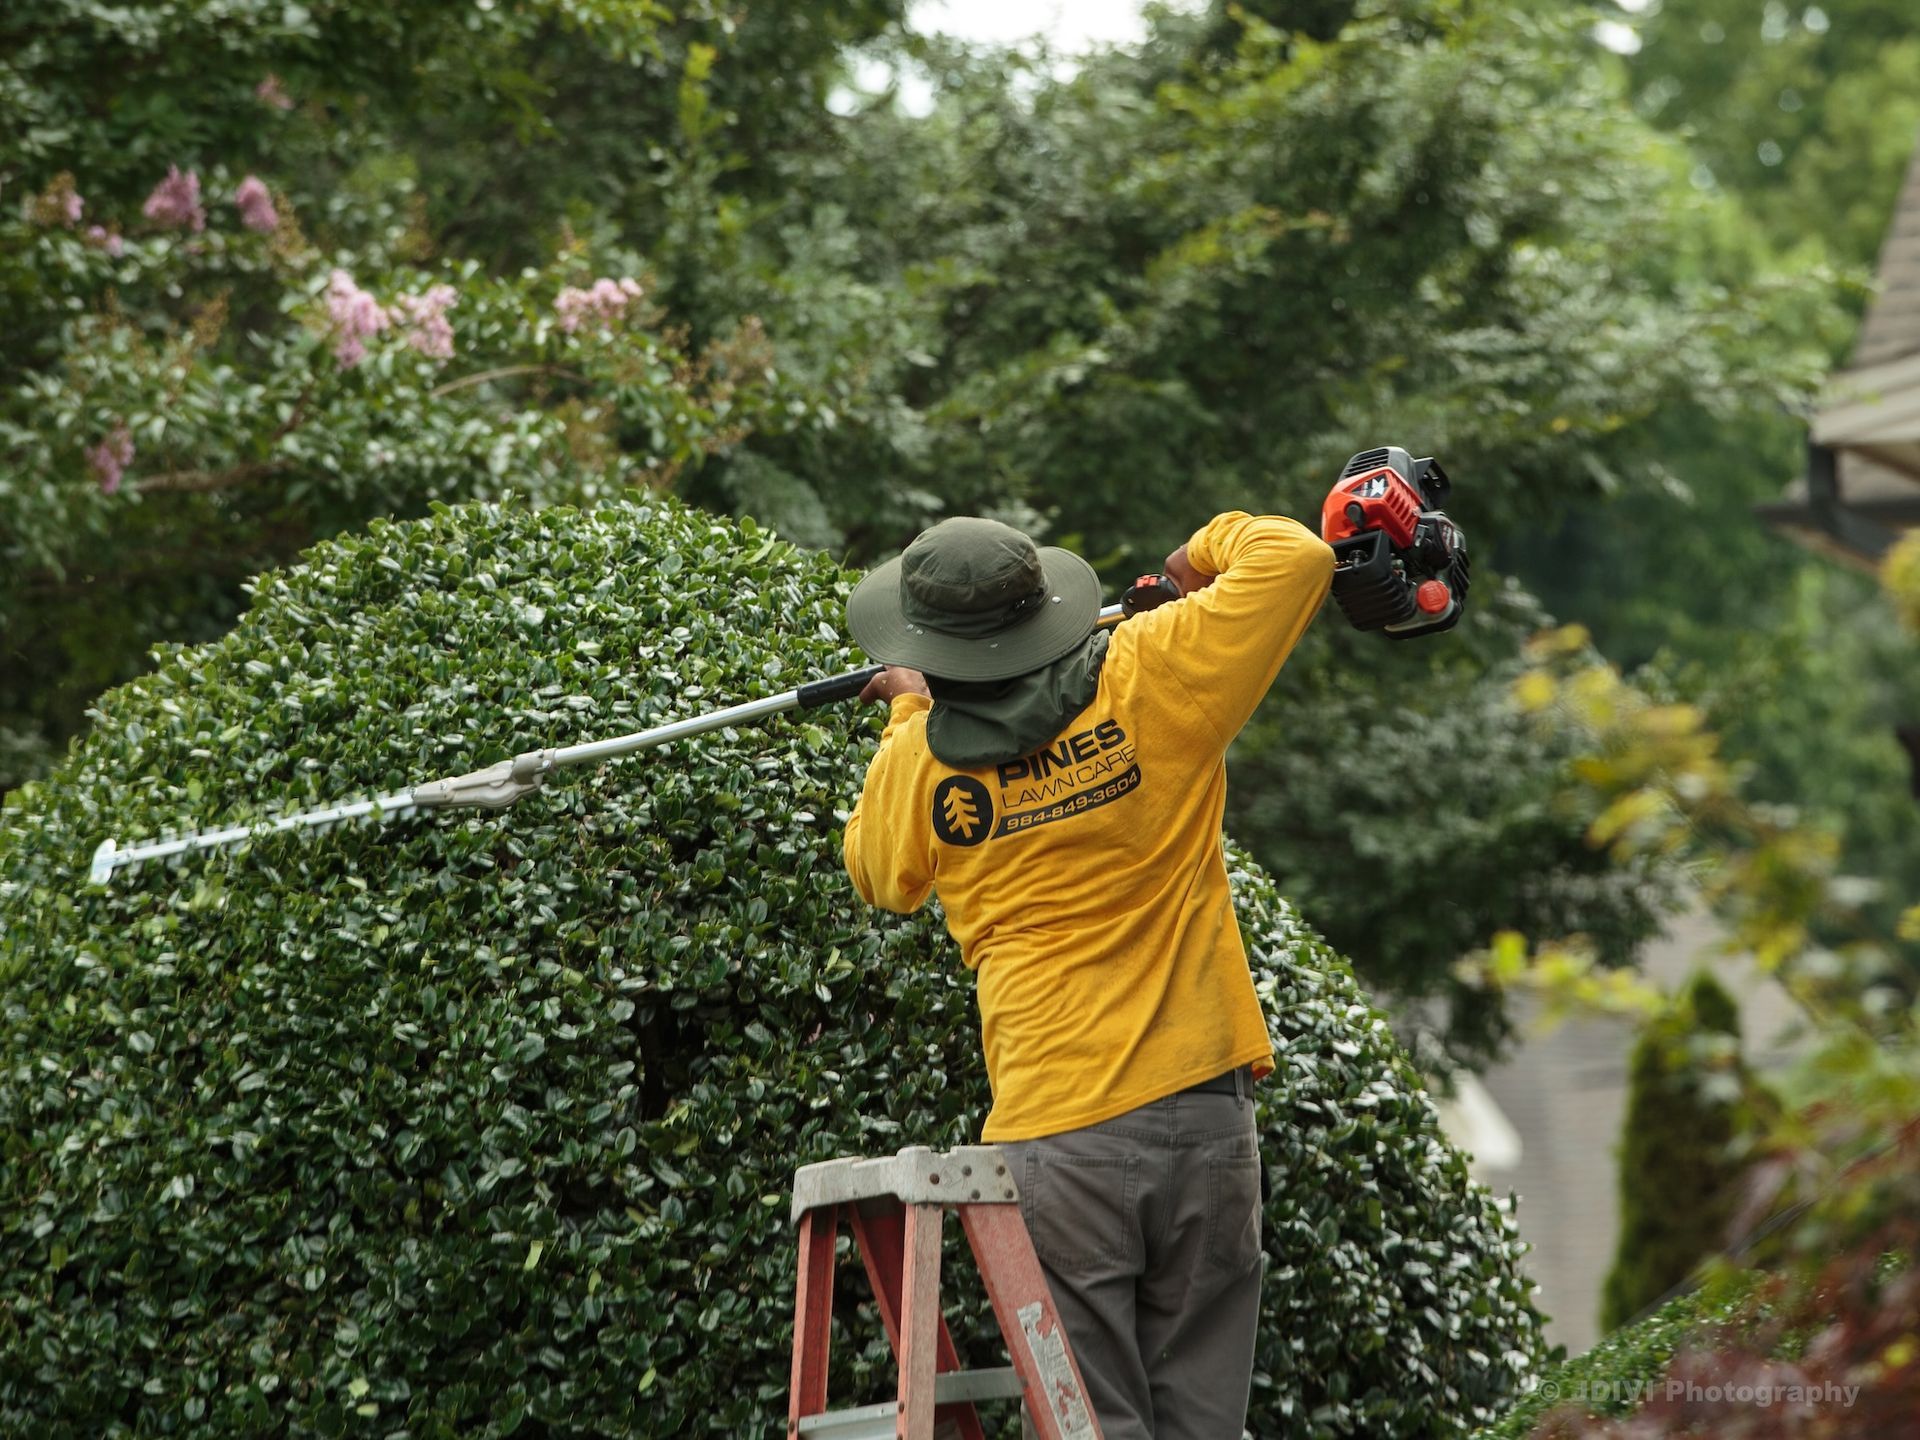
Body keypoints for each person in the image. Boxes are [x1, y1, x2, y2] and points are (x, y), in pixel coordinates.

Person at [841, 511, 1334, 1440]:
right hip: (1202, 1112)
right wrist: (1196, 555)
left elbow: (876, 873)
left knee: (1092, 1425)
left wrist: (909, 709)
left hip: (1055, 1136)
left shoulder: (920, 761)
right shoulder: (1152, 666)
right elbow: (1297, 557)